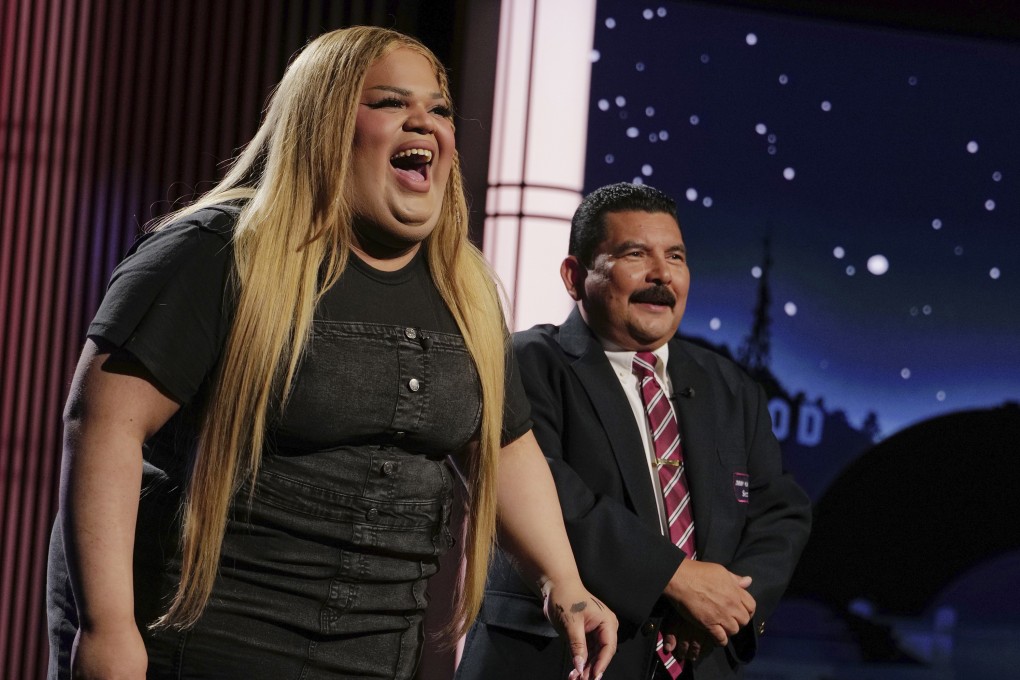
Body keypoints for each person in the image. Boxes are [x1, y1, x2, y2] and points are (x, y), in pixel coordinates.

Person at [46, 26, 617, 680]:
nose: (424, 124)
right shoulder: (218, 253)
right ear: (322, 124)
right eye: (390, 103)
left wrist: (564, 582)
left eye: (439, 109)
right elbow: (102, 426)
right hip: (203, 643)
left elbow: (503, 445)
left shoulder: (466, 291)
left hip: (375, 655)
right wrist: (107, 628)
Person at [456, 183, 811, 679]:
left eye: (675, 256)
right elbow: (546, 492)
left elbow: (780, 513)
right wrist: (676, 580)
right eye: (635, 254)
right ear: (575, 276)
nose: (661, 274)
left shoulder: (730, 387)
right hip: (559, 661)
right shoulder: (524, 363)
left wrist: (725, 608)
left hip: (697, 659)